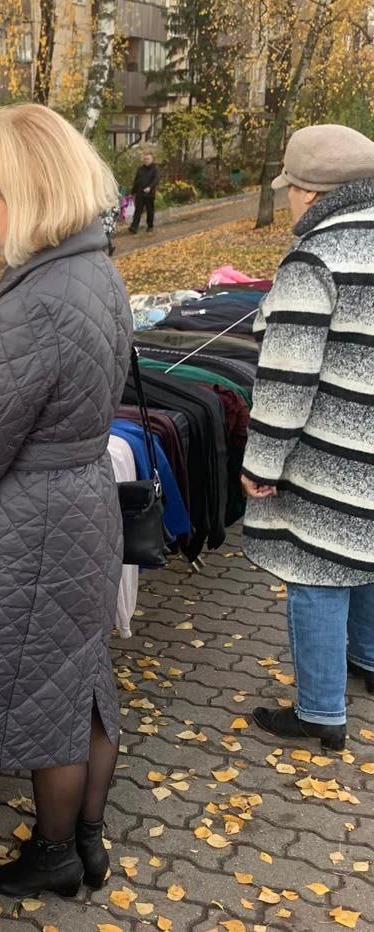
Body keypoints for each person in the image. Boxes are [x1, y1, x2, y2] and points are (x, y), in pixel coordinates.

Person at [0, 104, 132, 899]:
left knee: (48, 696)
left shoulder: (39, 299)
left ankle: (56, 855)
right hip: (77, 502)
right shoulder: (94, 266)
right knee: (80, 677)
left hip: (33, 522)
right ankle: (86, 841)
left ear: (31, 194)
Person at [241, 123, 374, 751]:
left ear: (308, 191)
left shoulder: (316, 255)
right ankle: (370, 663)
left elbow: (287, 378)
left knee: (318, 568)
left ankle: (321, 714)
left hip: (332, 452)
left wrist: (262, 461)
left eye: (289, 189)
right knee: (368, 554)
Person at [128, 152, 159, 233]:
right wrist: (132, 192)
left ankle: (150, 226)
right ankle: (134, 227)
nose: (146, 160)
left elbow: (156, 180)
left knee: (150, 211)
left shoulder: (155, 169)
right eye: (145, 159)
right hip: (140, 193)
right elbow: (136, 181)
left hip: (149, 194)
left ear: (152, 160)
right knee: (138, 210)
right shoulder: (140, 169)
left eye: (148, 159)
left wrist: (150, 187)